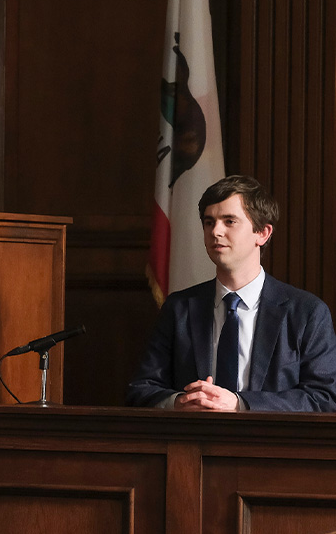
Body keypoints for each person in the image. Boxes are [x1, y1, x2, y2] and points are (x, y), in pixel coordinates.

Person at [127, 175, 336, 412]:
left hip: (273, 447)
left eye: (229, 221)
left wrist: (240, 404)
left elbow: (324, 399)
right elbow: (141, 390)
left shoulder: (307, 313)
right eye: (209, 222)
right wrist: (180, 402)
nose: (215, 231)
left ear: (263, 233)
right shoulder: (179, 307)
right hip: (193, 445)